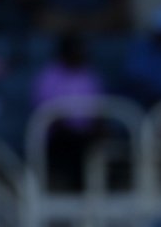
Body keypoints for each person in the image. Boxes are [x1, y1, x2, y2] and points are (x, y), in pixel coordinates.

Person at [32, 32, 106, 191]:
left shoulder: (89, 75)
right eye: (76, 50)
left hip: (85, 134)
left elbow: (99, 107)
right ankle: (76, 189)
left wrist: (96, 126)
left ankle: (100, 188)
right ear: (65, 52)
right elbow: (50, 113)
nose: (80, 54)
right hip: (57, 135)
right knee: (73, 144)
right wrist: (76, 131)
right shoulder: (49, 76)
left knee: (102, 137)